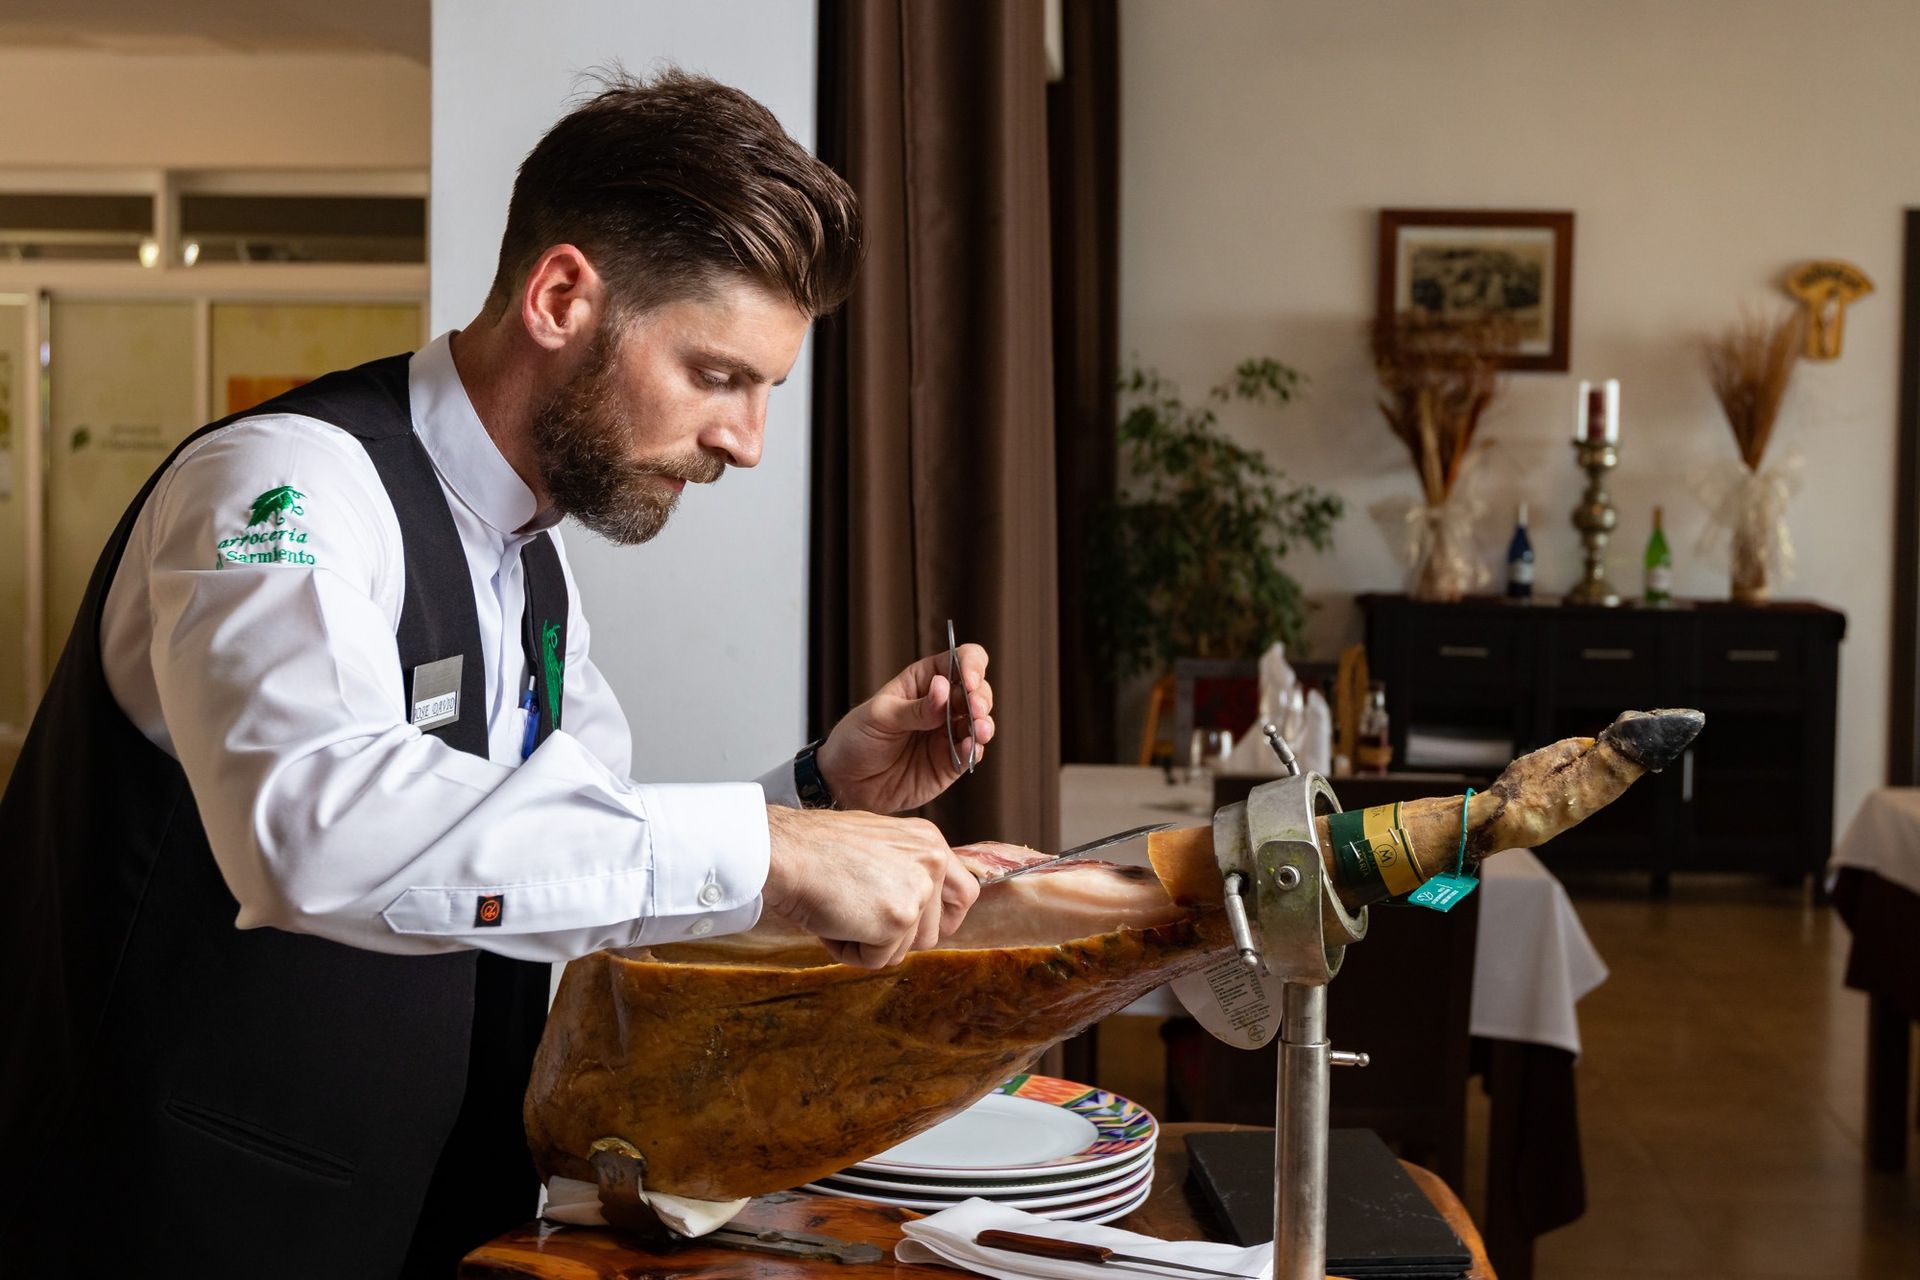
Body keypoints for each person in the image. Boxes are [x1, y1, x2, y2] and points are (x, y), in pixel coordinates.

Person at [0, 69, 993, 1278]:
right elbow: (310, 827)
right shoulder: (282, 488)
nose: (745, 442)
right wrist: (780, 850)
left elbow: (576, 859)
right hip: (169, 1232)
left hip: (433, 1221)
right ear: (562, 296)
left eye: (766, 390)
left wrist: (821, 792)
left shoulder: (534, 561)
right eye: (718, 374)